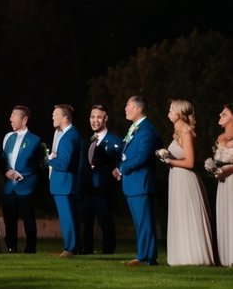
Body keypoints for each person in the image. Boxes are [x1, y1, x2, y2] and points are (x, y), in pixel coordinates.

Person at [159, 98, 215, 266]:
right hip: (177, 178)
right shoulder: (178, 132)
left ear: (180, 113)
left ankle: (195, 256)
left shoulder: (186, 132)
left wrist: (169, 161)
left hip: (185, 178)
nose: (169, 113)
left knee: (188, 215)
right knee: (179, 215)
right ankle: (182, 256)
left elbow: (190, 162)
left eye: (171, 110)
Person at [115, 94, 162, 266]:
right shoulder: (135, 128)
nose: (125, 109)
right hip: (133, 183)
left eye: (128, 105)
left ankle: (147, 258)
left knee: (145, 221)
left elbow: (143, 156)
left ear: (138, 108)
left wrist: (124, 167)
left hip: (141, 182)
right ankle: (142, 255)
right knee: (139, 222)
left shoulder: (146, 130)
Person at [80, 104, 122, 255]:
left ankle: (108, 251)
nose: (95, 120)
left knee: (105, 222)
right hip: (87, 190)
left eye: (98, 117)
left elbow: (120, 163)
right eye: (92, 117)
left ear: (106, 119)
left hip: (105, 191)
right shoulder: (87, 141)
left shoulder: (115, 140)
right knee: (86, 223)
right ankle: (87, 250)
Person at [1, 105, 43, 253]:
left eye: (14, 115)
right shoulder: (7, 137)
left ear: (24, 119)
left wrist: (26, 176)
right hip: (9, 186)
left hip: (27, 185)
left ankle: (30, 248)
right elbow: (3, 160)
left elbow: (39, 164)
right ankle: (11, 247)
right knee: (9, 218)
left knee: (28, 219)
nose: (10, 119)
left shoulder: (35, 140)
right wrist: (7, 171)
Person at [48, 104, 83, 256]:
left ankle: (70, 248)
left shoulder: (69, 137)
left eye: (56, 115)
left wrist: (47, 160)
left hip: (64, 183)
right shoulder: (69, 135)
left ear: (65, 118)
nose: (53, 117)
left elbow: (64, 163)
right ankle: (74, 247)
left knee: (67, 216)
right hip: (64, 183)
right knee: (69, 216)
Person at [210, 103, 233, 266]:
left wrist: (229, 168)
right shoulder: (220, 138)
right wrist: (212, 168)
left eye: (224, 114)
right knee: (224, 216)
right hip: (223, 183)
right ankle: (225, 258)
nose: (220, 115)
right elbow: (218, 162)